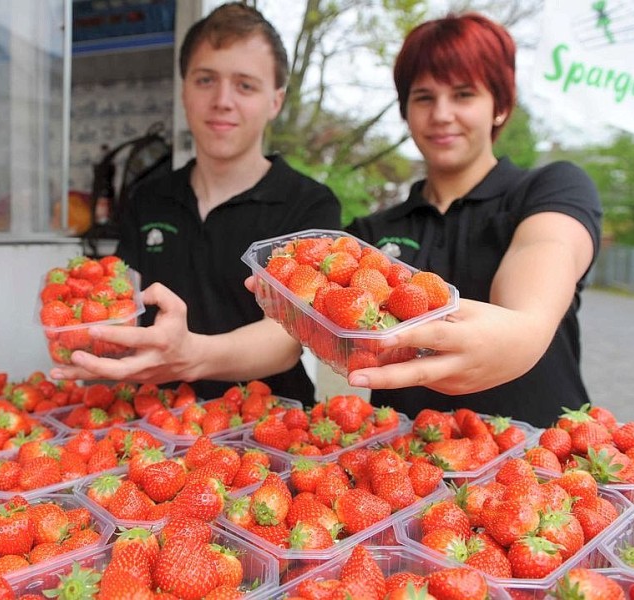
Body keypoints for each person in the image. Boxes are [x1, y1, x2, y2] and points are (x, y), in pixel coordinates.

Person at [51, 2, 341, 404]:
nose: (222, 100)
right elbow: (120, 299)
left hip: (268, 428)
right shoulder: (149, 197)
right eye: (206, 80)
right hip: (156, 424)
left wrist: (191, 357)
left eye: (245, 85)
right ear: (184, 88)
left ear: (275, 101)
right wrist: (91, 333)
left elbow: (287, 338)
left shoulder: (309, 204)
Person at [343, 12, 602, 427]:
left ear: (499, 105)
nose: (442, 114)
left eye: (463, 95)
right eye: (424, 97)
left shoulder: (551, 188)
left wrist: (525, 329)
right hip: (402, 472)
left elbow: (546, 249)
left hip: (542, 470)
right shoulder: (370, 233)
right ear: (406, 111)